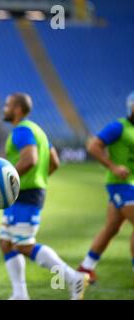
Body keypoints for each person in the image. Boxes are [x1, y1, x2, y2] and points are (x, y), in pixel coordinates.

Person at [0, 93, 89, 300]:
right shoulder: (37, 130)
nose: (4, 109)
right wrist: (39, 179)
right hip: (24, 194)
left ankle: (73, 278)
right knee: (5, 242)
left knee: (23, 244)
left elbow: (30, 159)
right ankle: (20, 294)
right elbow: (54, 161)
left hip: (25, 195)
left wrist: (7, 179)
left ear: (18, 110)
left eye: (8, 105)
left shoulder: (21, 130)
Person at [78, 92, 134, 283]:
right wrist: (113, 167)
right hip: (119, 184)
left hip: (130, 185)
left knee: (111, 228)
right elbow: (94, 146)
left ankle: (85, 268)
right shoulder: (118, 126)